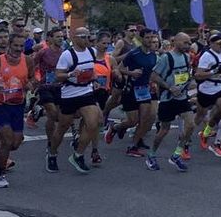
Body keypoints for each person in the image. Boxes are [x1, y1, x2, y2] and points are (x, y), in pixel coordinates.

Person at [48, 27, 100, 174]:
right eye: (83, 37)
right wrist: (71, 74)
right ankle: (52, 154)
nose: (87, 40)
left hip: (86, 91)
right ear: (75, 38)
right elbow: (58, 75)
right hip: (69, 94)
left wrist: (94, 79)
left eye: (88, 37)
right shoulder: (67, 55)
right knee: (62, 127)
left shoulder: (92, 51)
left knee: (93, 123)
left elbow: (92, 69)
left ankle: (78, 155)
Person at [0, 33, 34, 187]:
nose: (19, 49)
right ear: (9, 45)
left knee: (15, 143)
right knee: (7, 141)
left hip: (18, 105)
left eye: (21, 46)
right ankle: (1, 176)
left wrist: (31, 84)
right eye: (15, 46)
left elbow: (33, 78)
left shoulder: (28, 61)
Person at [106, 28, 158, 158]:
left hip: (145, 90)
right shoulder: (134, 53)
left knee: (144, 119)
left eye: (152, 37)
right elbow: (120, 69)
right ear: (141, 39)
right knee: (132, 121)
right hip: (131, 89)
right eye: (147, 38)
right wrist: (131, 73)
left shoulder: (153, 55)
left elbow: (152, 72)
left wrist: (153, 82)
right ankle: (115, 127)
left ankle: (133, 146)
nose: (150, 40)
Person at [149, 33, 196, 172]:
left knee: (191, 125)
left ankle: (176, 155)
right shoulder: (166, 57)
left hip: (182, 98)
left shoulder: (186, 57)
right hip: (168, 99)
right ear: (176, 42)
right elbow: (153, 76)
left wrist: (189, 83)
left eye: (189, 43)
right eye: (185, 43)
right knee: (164, 130)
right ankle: (151, 155)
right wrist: (169, 87)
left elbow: (186, 75)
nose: (188, 45)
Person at [194, 33, 221, 157]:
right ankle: (188, 140)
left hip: (220, 88)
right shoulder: (206, 56)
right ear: (211, 43)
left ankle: (219, 143)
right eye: (218, 43)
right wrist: (214, 71)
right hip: (206, 89)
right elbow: (198, 75)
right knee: (200, 117)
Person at [89, 31, 118, 166]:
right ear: (96, 43)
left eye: (108, 43)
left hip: (103, 93)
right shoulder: (89, 57)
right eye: (103, 43)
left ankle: (86, 143)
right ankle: (94, 151)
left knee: (93, 123)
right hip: (88, 92)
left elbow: (116, 71)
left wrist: (117, 74)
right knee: (98, 120)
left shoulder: (110, 59)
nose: (106, 46)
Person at [102, 24, 139, 122]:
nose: (134, 33)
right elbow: (112, 58)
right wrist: (127, 55)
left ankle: (106, 113)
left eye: (135, 31)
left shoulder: (134, 43)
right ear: (125, 31)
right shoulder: (121, 42)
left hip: (129, 74)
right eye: (131, 30)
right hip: (120, 74)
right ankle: (103, 114)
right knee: (115, 98)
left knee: (121, 99)